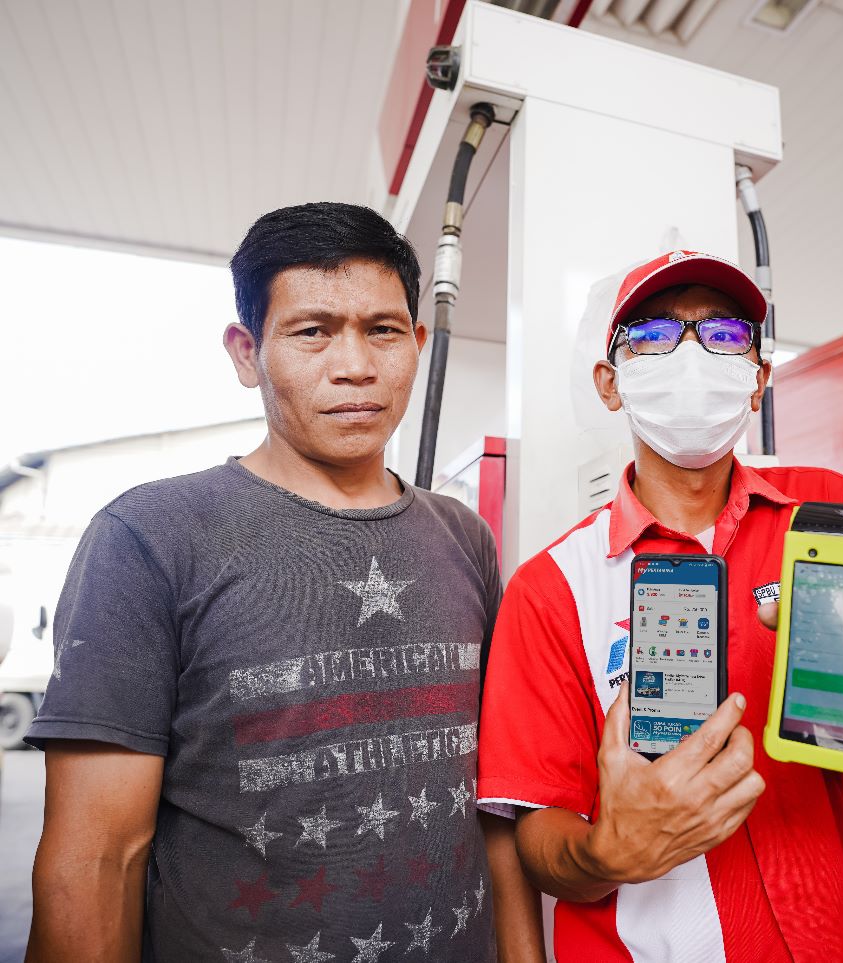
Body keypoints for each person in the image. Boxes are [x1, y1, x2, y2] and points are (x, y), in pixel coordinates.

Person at [25, 203, 543, 963]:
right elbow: (98, 859)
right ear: (247, 353)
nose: (355, 365)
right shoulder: (150, 537)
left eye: (382, 330)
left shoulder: (463, 535)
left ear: (416, 343)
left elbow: (493, 807)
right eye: (312, 331)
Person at [477, 250, 843, 961]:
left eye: (724, 335)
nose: (693, 356)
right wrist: (610, 853)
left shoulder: (821, 512)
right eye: (654, 335)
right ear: (610, 382)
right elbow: (536, 839)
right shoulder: (551, 586)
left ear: (758, 378)